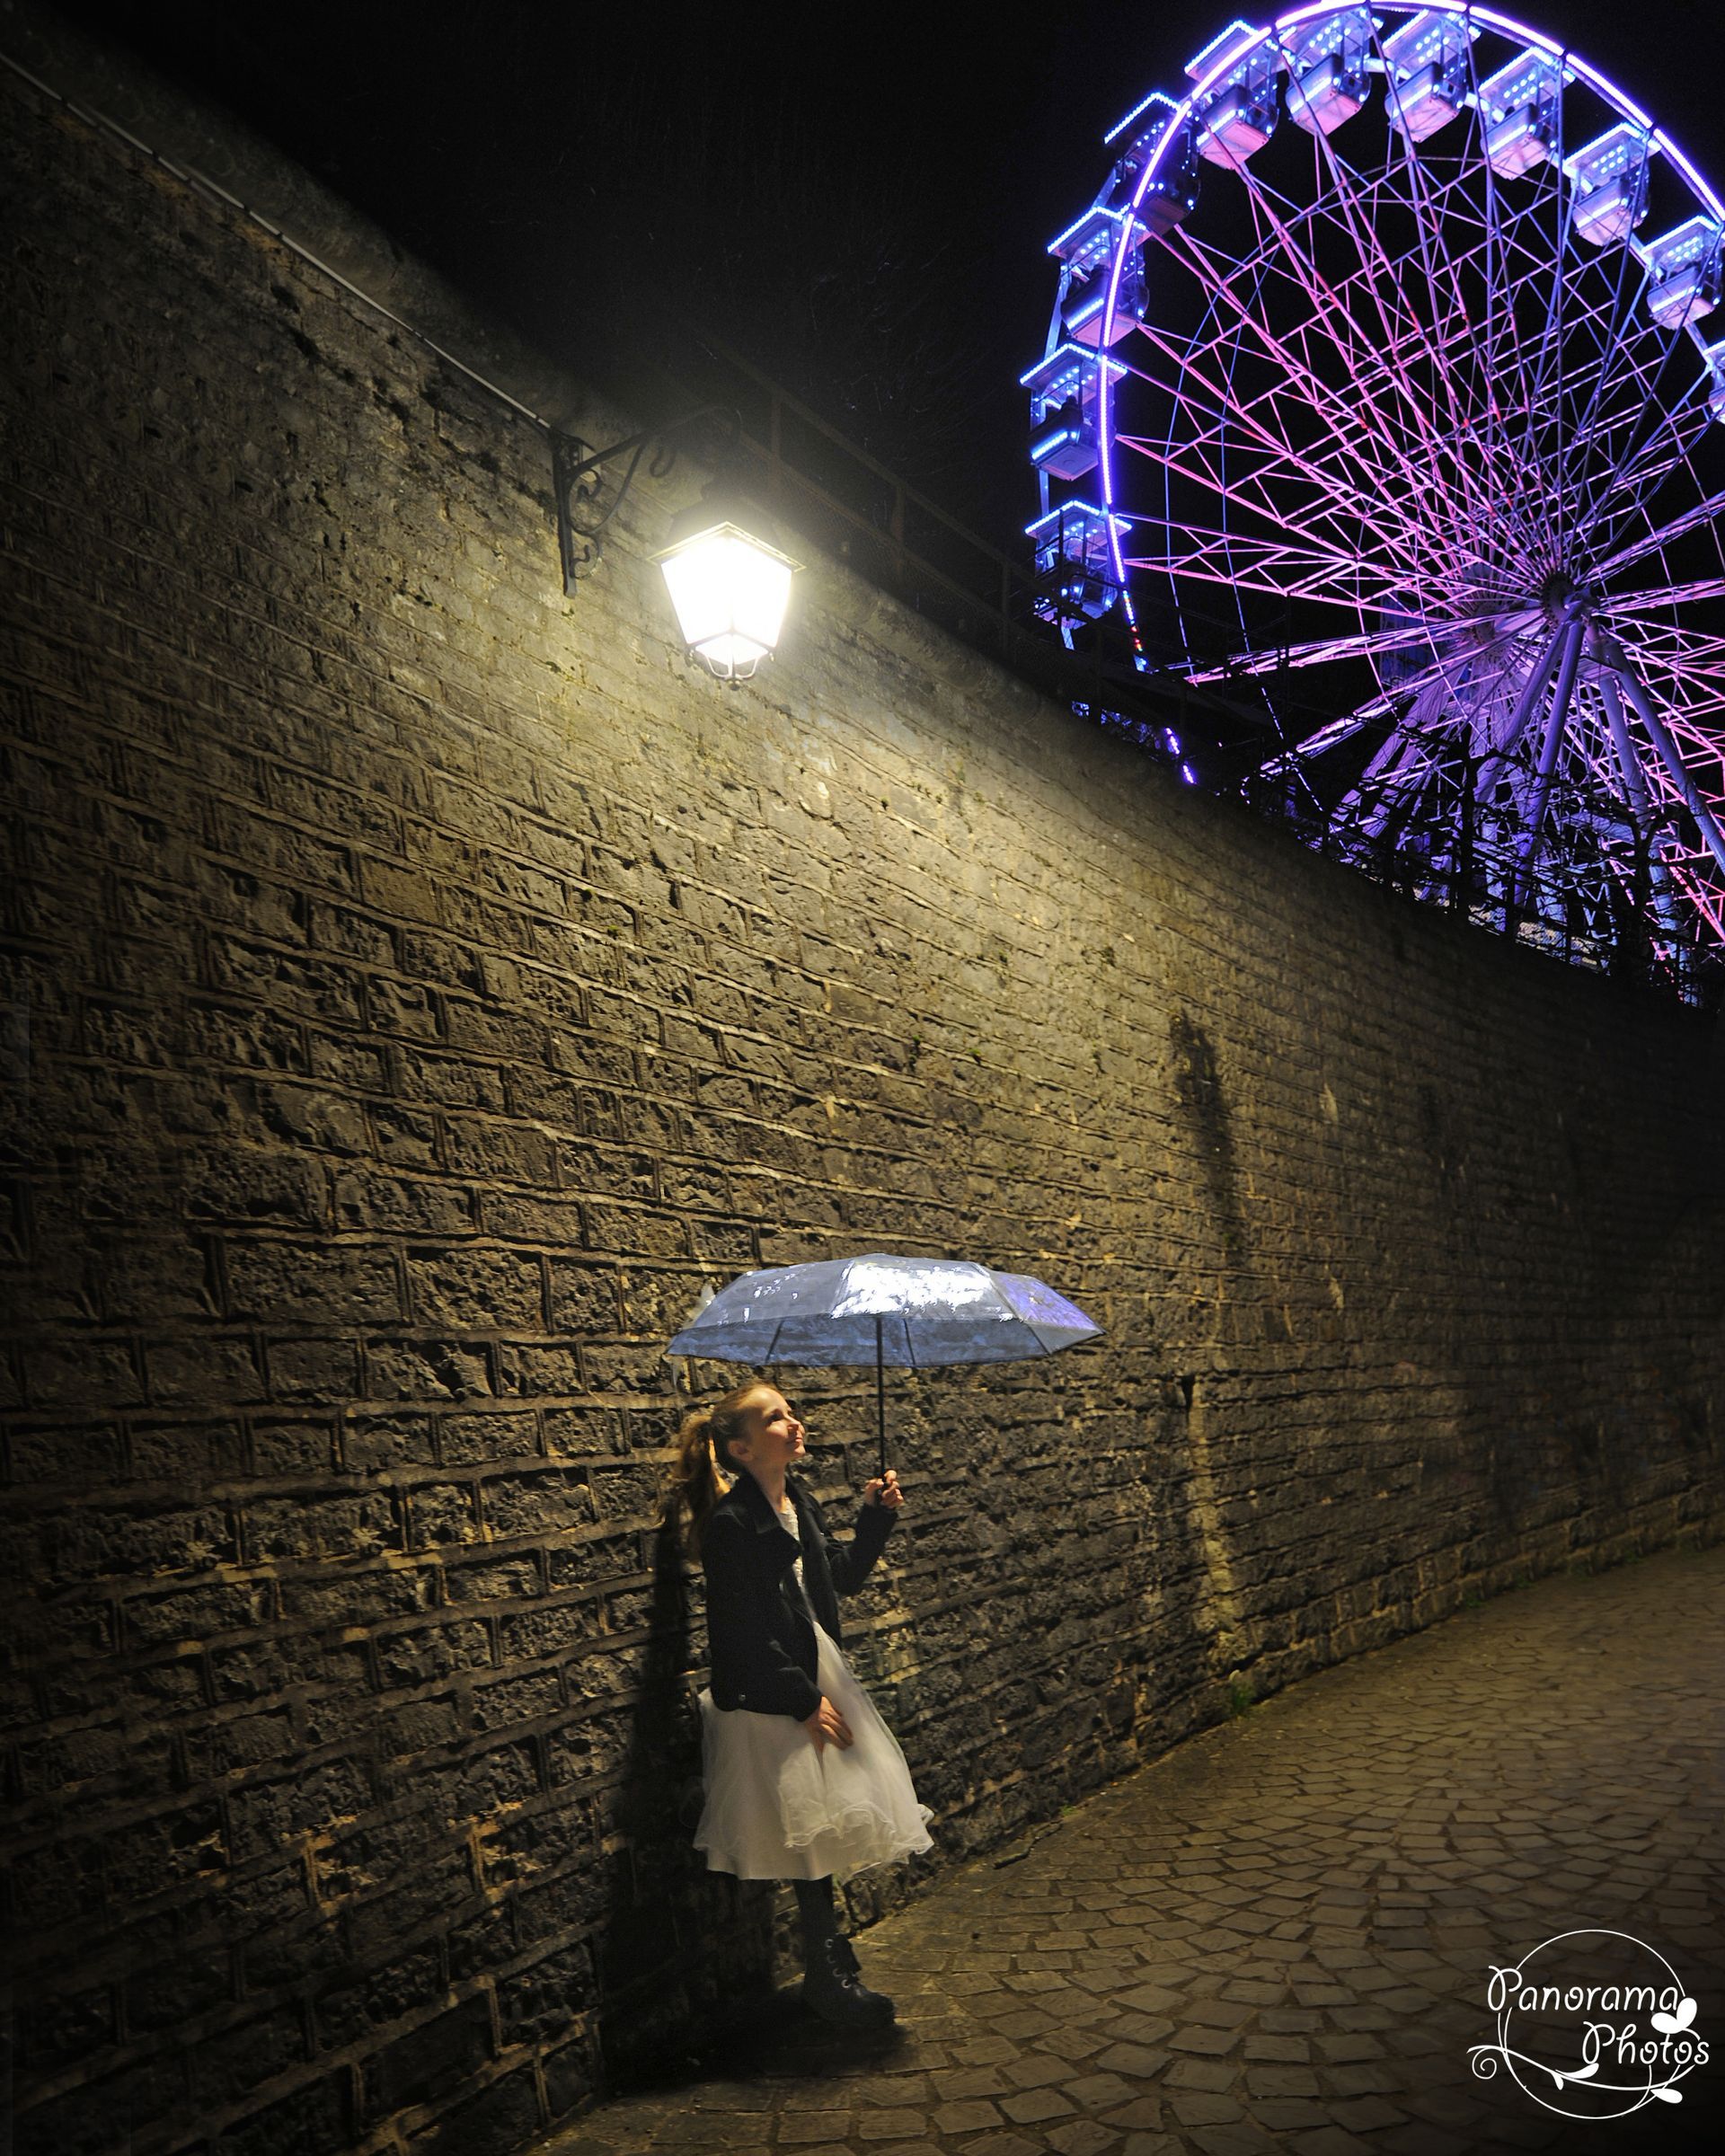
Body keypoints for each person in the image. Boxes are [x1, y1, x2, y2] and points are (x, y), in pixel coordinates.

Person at [667, 1381, 932, 2027]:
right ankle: (829, 1975)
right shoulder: (733, 1525)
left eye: (790, 1412)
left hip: (812, 1674)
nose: (795, 1422)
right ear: (741, 1447)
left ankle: (829, 1970)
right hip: (775, 1693)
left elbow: (834, 1579)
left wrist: (875, 1517)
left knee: (821, 1828)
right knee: (809, 1834)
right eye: (776, 1417)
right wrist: (804, 1701)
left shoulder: (798, 1500)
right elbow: (740, 1633)